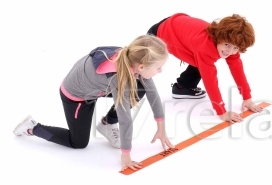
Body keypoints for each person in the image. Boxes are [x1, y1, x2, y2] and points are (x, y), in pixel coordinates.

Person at [13, 35, 174, 171]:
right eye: (159, 67)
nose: (161, 71)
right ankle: (32, 128)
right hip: (77, 96)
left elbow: (152, 93)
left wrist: (161, 129)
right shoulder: (118, 77)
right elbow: (125, 119)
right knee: (78, 142)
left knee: (140, 88)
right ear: (142, 66)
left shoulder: (132, 57)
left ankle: (107, 124)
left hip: (97, 87)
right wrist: (126, 155)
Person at [147, 13, 264, 123]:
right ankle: (182, 87)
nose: (229, 51)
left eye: (236, 48)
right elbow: (210, 80)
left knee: (202, 62)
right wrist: (222, 112)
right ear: (219, 37)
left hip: (174, 23)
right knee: (203, 64)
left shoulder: (232, 44)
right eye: (227, 45)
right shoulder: (205, 47)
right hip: (158, 35)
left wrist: (247, 98)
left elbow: (237, 69)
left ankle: (182, 87)